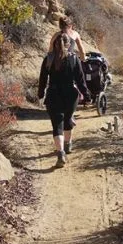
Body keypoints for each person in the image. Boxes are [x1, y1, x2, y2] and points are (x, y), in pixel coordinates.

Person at [38, 33, 90, 167]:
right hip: (70, 95)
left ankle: (60, 153)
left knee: (57, 126)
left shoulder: (48, 59)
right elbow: (80, 80)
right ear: (69, 44)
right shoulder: (74, 59)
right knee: (68, 120)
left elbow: (43, 78)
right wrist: (86, 95)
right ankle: (68, 145)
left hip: (53, 94)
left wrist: (40, 93)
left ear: (54, 44)